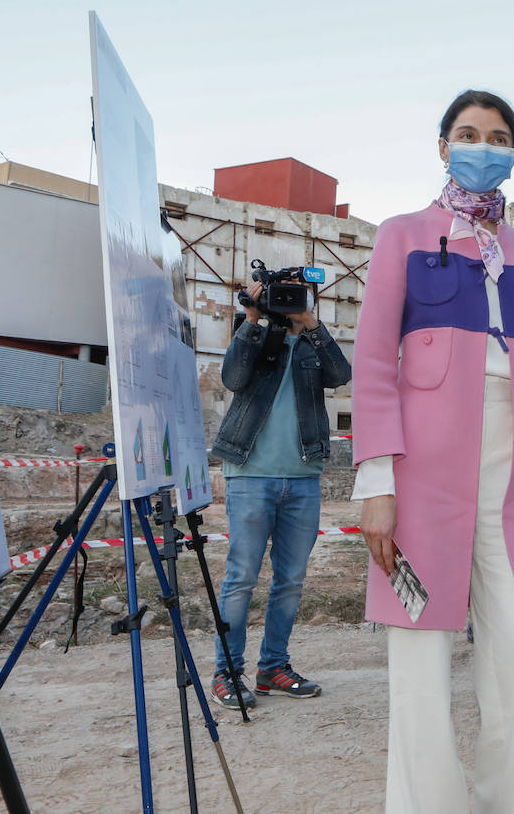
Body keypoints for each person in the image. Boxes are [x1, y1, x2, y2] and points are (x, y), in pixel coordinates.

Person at [351, 90, 514, 812]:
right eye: (470, 134)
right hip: (422, 480)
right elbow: (375, 365)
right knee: (419, 663)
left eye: (500, 136)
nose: (485, 146)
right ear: (444, 147)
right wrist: (376, 481)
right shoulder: (402, 235)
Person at [209, 272, 352, 709]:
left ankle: (273, 667)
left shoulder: (310, 344)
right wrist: (252, 318)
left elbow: (341, 373)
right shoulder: (252, 335)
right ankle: (227, 672)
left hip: (303, 476)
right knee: (241, 579)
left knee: (290, 581)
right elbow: (232, 379)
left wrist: (309, 322)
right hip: (251, 473)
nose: (286, 302)